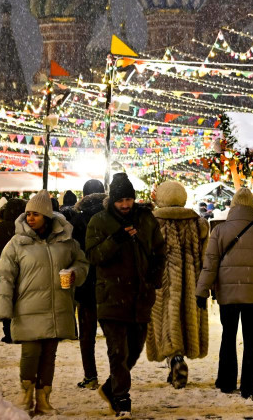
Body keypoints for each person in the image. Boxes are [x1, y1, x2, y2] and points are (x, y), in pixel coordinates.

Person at [0, 190, 89, 416]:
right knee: (30, 354)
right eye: (28, 214)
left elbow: (82, 262)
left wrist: (75, 273)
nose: (30, 218)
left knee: (49, 356)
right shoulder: (17, 243)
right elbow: (4, 275)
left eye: (35, 214)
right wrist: (4, 308)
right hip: (28, 308)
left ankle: (43, 399)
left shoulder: (66, 241)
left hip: (57, 308)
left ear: (47, 216)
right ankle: (26, 396)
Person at [86, 173, 166, 418]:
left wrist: (154, 275)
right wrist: (117, 239)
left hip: (140, 295)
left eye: (129, 199)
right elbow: (93, 256)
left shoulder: (146, 219)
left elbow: (159, 250)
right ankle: (122, 398)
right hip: (112, 295)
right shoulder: (98, 221)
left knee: (134, 350)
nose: (125, 204)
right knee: (118, 351)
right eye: (121, 200)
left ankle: (111, 388)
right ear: (113, 200)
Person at [195, 187, 253, 400]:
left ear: (233, 205)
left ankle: (226, 381)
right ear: (252, 206)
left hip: (228, 294)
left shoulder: (219, 231)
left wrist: (202, 291)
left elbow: (210, 265)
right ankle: (249, 387)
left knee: (228, 337)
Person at [146, 180, 209, 388]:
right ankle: (177, 359)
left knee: (165, 320)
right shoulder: (197, 223)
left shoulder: (152, 223)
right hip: (191, 281)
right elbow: (205, 254)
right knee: (184, 317)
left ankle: (175, 359)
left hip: (160, 282)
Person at [70, 178, 106, 390]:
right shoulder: (111, 215)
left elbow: (73, 249)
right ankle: (116, 374)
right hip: (109, 279)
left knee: (87, 332)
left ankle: (90, 375)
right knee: (113, 333)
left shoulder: (78, 219)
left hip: (86, 280)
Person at [0, 197, 26, 337]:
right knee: (21, 297)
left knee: (5, 295)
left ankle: (7, 329)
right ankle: (19, 328)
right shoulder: (24, 227)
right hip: (22, 265)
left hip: (0, 265)